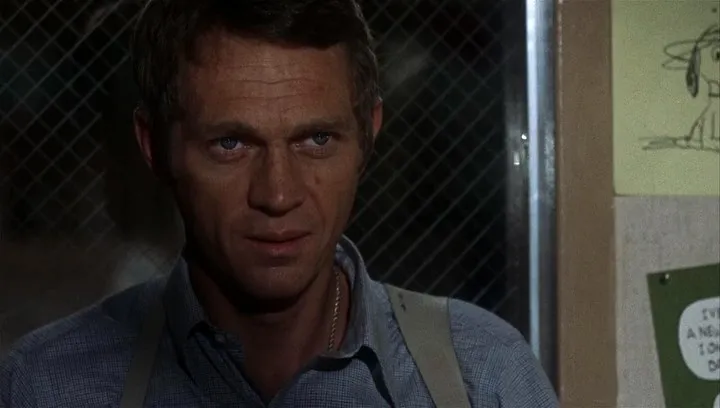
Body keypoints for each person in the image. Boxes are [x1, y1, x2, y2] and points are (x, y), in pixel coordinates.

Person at [0, 1, 559, 407]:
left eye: (316, 140)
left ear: (368, 136)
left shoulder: (481, 377)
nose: (278, 194)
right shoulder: (47, 386)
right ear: (155, 148)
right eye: (231, 144)